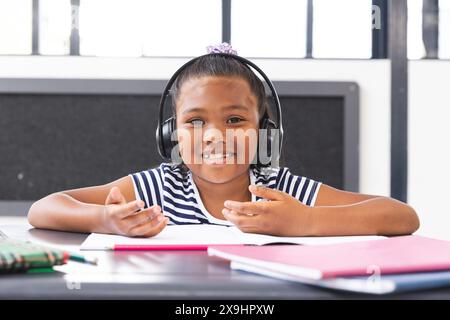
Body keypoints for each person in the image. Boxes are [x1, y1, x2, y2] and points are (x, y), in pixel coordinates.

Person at [28, 43, 419, 237]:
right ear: (172, 134)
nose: (216, 135)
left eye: (234, 119)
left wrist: (307, 220)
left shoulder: (282, 193)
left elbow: (402, 217)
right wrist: (105, 220)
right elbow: (44, 209)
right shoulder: (154, 190)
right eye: (195, 121)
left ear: (264, 130)